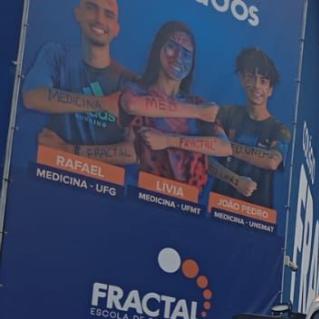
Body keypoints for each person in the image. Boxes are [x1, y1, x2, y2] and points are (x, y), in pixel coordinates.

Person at [21, 0, 136, 165]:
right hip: (44, 176)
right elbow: (32, 97)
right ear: (77, 13)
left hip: (105, 185)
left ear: (117, 29)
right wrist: (102, 103)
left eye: (108, 14)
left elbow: (134, 152)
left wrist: (68, 150)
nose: (100, 20)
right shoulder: (56, 55)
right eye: (91, 8)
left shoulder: (129, 81)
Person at [122, 21, 230, 186]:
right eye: (172, 47)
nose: (179, 57)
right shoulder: (137, 90)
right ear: (159, 48)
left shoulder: (199, 103)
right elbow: (131, 105)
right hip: (141, 195)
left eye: (187, 53)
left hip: (188, 203)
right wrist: (197, 112)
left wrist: (168, 140)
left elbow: (224, 147)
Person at [210, 47, 289, 207]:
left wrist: (224, 146)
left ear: (270, 90)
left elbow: (272, 161)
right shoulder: (226, 113)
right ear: (241, 79)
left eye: (263, 81)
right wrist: (236, 181)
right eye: (250, 77)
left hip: (258, 219)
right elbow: (205, 158)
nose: (256, 86)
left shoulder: (280, 129)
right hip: (218, 208)